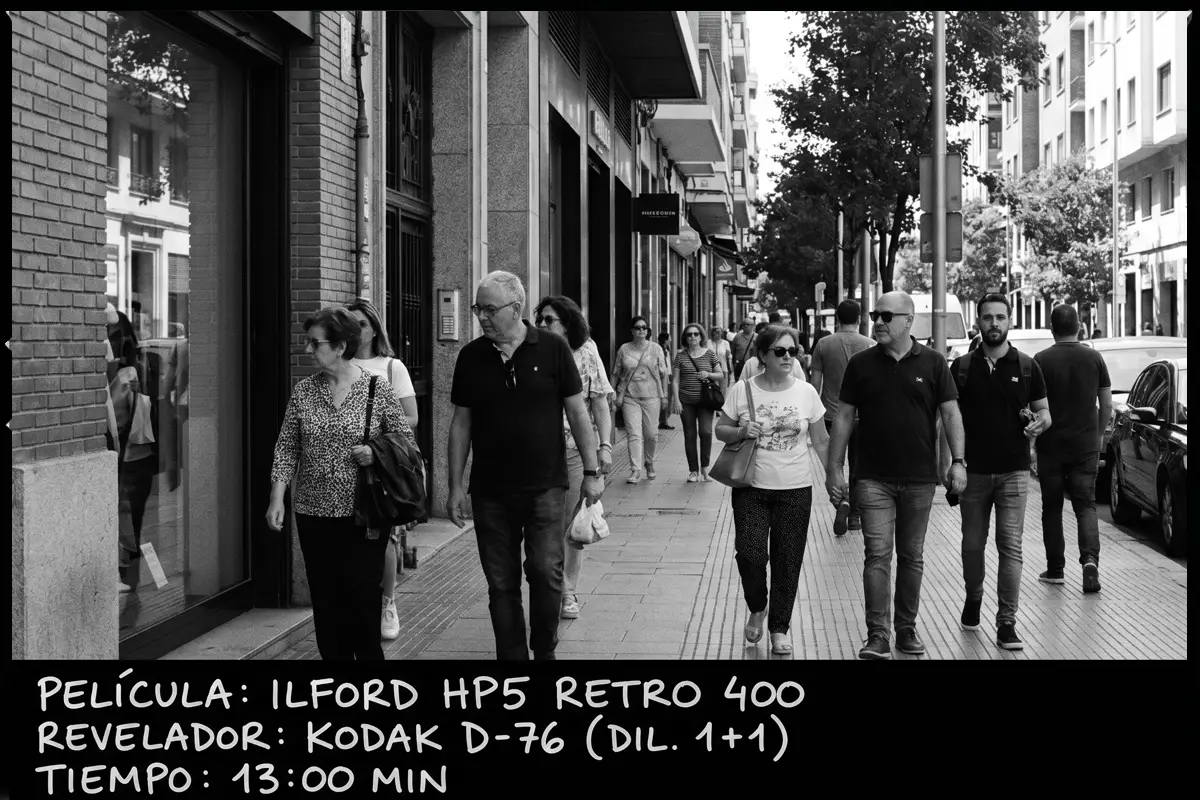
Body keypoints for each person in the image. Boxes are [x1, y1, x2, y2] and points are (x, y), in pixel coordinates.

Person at [446, 270, 604, 661]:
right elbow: (461, 424)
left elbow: (578, 413)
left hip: (545, 486)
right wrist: (454, 486)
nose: (481, 316)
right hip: (490, 491)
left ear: (516, 309)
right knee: (501, 582)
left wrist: (592, 472)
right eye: (478, 309)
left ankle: (544, 650)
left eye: (490, 309)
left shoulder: (553, 349)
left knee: (546, 572)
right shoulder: (471, 356)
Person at [267, 306, 414, 660]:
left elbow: (406, 443)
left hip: (364, 513)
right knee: (325, 598)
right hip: (313, 513)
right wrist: (276, 498)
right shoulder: (304, 391)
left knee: (362, 596)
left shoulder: (376, 389)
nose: (308, 349)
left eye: (315, 343)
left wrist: (374, 452)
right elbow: (287, 447)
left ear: (340, 346)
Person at [826, 291, 966, 660]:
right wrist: (834, 467)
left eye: (887, 316)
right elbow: (843, 416)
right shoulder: (861, 364)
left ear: (908, 321)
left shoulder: (934, 363)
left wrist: (958, 462)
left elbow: (951, 414)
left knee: (912, 555)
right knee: (877, 555)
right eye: (875, 314)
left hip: (919, 479)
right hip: (872, 477)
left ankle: (906, 629)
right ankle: (878, 635)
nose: (878, 321)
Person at [944, 294, 1051, 651]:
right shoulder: (961, 368)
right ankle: (974, 596)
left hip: (1014, 472)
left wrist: (1041, 423)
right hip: (973, 472)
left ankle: (1007, 622)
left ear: (1010, 321)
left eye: (1000, 317)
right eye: (988, 317)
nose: (994, 323)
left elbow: (1044, 412)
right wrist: (951, 463)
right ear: (978, 321)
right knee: (972, 544)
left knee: (1011, 546)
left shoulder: (1027, 366)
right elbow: (947, 418)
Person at [716, 325, 830, 656]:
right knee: (749, 554)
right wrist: (740, 431)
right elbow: (720, 429)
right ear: (763, 356)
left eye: (793, 351)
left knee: (787, 561)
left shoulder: (806, 392)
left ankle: (779, 628)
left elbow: (821, 440)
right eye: (780, 351)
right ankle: (758, 606)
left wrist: (834, 477)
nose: (787, 357)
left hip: (795, 488)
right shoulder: (743, 390)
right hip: (751, 487)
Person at [534, 295, 615, 621]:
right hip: (537, 451)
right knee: (543, 524)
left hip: (574, 450)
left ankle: (567, 591)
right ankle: (548, 584)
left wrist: (604, 446)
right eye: (539, 319)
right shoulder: (531, 350)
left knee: (571, 525)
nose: (541, 325)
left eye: (549, 320)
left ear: (567, 324)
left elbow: (599, 403)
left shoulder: (586, 351)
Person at [345, 298, 419, 642]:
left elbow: (412, 417)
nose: (355, 330)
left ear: (374, 329)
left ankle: (387, 602)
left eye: (361, 324)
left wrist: (374, 434)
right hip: (344, 465)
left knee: (382, 535)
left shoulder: (391, 367)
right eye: (349, 323)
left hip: (379, 463)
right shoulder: (338, 364)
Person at [1033, 304, 1111, 594]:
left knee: (1052, 508)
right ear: (1079, 327)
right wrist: (1098, 435)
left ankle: (1055, 569)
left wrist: (1032, 444)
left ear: (1052, 329)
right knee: (1086, 506)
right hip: (1085, 446)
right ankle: (1090, 562)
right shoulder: (1094, 358)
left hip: (1050, 446)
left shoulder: (1040, 360)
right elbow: (1106, 403)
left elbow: (1033, 406)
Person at [809, 299, 875, 536]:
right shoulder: (870, 345)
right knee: (858, 466)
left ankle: (841, 503)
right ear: (860, 319)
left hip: (831, 416)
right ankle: (855, 515)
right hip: (862, 417)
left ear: (837, 318)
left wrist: (811, 416)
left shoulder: (823, 344)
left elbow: (815, 384)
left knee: (834, 466)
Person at [611, 315, 670, 484]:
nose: (641, 330)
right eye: (638, 327)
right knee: (634, 435)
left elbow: (664, 374)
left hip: (652, 397)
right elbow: (616, 373)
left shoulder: (656, 349)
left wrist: (664, 396)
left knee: (651, 434)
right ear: (632, 331)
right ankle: (635, 470)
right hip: (630, 397)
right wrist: (612, 393)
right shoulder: (624, 349)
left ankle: (649, 462)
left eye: (644, 327)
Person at [671, 322, 725, 482]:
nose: (693, 337)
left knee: (706, 432)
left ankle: (705, 467)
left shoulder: (709, 354)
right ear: (685, 338)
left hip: (705, 401)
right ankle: (693, 471)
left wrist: (708, 374)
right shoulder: (680, 356)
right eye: (689, 334)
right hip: (686, 401)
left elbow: (721, 375)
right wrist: (676, 400)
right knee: (690, 435)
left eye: (696, 334)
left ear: (701, 336)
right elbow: (675, 380)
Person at [658, 331, 676, 430]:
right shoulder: (660, 350)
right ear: (665, 340)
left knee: (668, 399)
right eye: (669, 338)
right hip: (664, 378)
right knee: (665, 399)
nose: (671, 340)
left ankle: (664, 421)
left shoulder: (667, 350)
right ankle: (663, 422)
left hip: (669, 377)